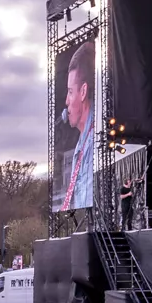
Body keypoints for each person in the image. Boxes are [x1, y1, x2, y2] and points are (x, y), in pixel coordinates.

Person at [58, 39, 96, 211]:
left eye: (70, 92)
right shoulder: (82, 140)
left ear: (83, 92)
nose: (66, 101)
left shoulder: (96, 138)